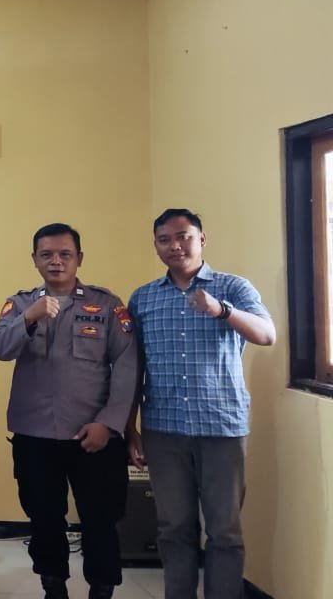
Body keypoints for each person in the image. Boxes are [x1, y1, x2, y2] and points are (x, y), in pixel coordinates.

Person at [125, 209, 274, 599]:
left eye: (184, 236)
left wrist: (223, 310)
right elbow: (133, 367)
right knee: (174, 528)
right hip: (163, 430)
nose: (175, 246)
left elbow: (266, 334)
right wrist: (129, 428)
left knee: (224, 531)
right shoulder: (143, 298)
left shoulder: (233, 287)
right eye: (164, 240)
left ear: (202, 239)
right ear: (156, 246)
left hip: (221, 428)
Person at [0, 223, 138, 599]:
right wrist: (30, 317)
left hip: (94, 434)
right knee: (44, 518)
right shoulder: (20, 303)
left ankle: (102, 588)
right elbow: (0, 348)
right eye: (47, 254)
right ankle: (53, 586)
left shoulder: (106, 305)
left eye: (64, 254)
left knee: (101, 520)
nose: (56, 261)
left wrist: (110, 424)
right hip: (34, 433)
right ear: (35, 259)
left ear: (79, 258)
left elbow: (127, 366)